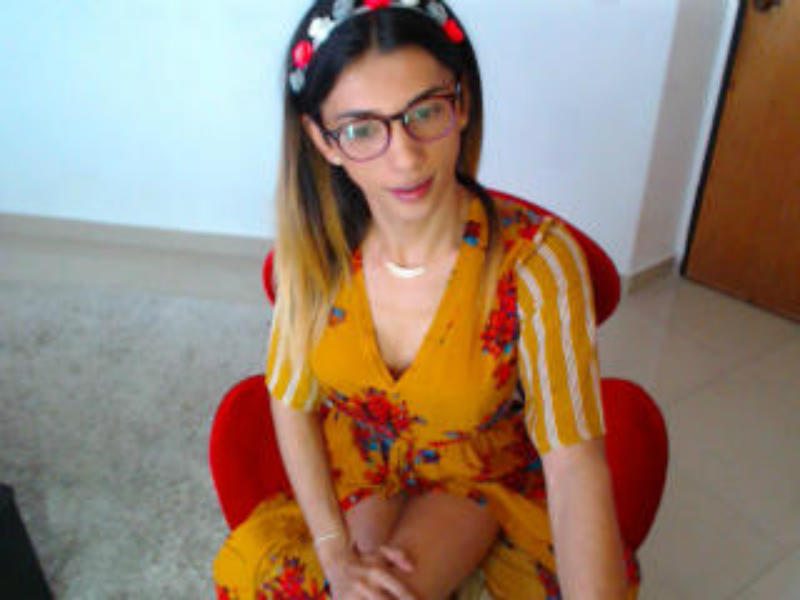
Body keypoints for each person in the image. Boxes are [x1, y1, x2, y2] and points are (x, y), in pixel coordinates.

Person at [213, 1, 640, 598]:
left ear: (460, 104)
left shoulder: (535, 262)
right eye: (363, 129)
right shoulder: (311, 253)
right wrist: (335, 551)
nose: (406, 156)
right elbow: (290, 401)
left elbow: (574, 464)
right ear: (323, 140)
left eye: (425, 112)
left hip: (476, 474)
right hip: (361, 463)